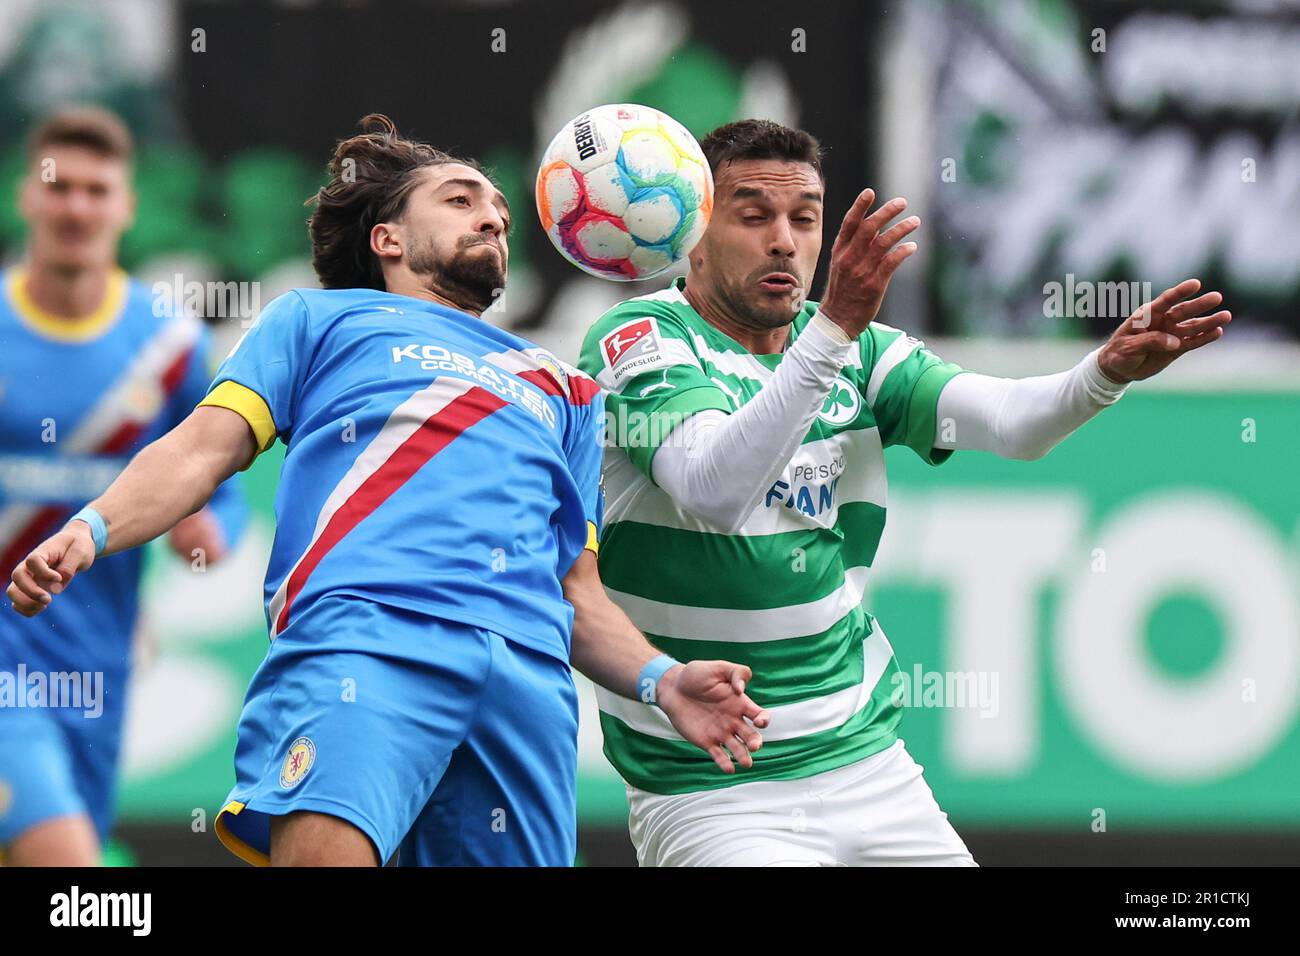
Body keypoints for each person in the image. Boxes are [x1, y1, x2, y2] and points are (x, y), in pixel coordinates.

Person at [7, 114, 769, 867]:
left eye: (501, 216)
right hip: (369, 640)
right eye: (461, 199)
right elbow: (200, 452)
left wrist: (660, 678)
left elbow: (580, 594)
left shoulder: (568, 390)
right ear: (388, 239)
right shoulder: (319, 321)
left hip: (527, 684)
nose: (493, 219)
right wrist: (94, 528)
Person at [578, 118, 1230, 866]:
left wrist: (1102, 374)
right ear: (692, 231)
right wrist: (833, 331)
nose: (785, 240)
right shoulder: (642, 340)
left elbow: (1014, 426)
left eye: (804, 218)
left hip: (869, 767)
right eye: (753, 215)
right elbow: (712, 489)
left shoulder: (860, 351)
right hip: (712, 790)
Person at [0, 106, 247, 865]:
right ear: (26, 197)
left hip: (96, 665)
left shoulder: (169, 345)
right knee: (76, 881)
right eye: (59, 186)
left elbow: (220, 487)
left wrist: (209, 531)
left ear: (126, 205)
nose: (76, 206)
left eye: (95, 189)